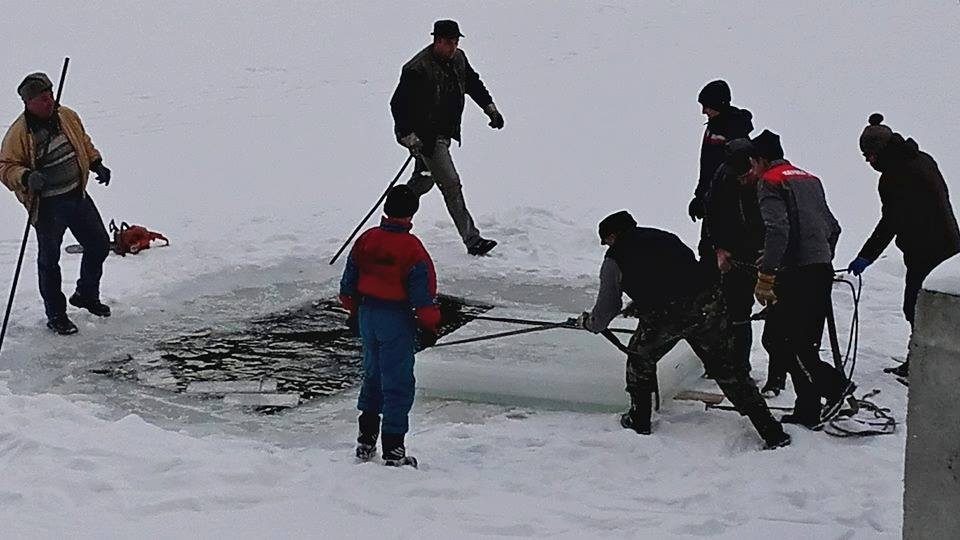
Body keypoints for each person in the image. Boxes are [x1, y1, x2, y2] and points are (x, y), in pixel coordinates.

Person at [574, 210, 789, 449]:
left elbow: (608, 306)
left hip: (665, 316)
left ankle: (639, 419)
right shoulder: (664, 237)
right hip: (706, 306)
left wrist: (591, 323)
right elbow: (678, 272)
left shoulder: (615, 259)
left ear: (614, 235)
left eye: (607, 241)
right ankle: (771, 432)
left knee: (639, 359)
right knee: (729, 371)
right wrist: (641, 302)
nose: (607, 246)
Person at [749, 130, 852, 427]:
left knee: (782, 341)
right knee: (803, 342)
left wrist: (767, 273)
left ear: (761, 160)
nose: (752, 171)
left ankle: (834, 386)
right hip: (818, 270)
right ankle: (808, 410)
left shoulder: (771, 182)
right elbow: (833, 227)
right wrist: (821, 257)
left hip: (795, 275)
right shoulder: (809, 179)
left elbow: (778, 230)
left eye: (752, 164)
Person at [0, 72, 113, 335]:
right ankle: (56, 314)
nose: (49, 101)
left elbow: (82, 141)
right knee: (49, 261)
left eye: (50, 95)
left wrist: (96, 163)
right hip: (48, 206)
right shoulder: (20, 133)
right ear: (28, 103)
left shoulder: (67, 116)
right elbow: (5, 167)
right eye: (42, 99)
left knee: (98, 244)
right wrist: (26, 177)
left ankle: (86, 294)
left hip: (77, 195)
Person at [848, 114, 960, 378]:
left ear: (881, 151)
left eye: (870, 156)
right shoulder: (922, 160)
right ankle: (928, 360)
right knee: (940, 306)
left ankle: (925, 364)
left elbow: (891, 222)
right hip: (950, 247)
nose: (868, 161)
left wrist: (866, 256)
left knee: (916, 307)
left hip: (926, 251)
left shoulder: (895, 176)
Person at [339, 185, 441, 467]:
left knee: (372, 375)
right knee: (397, 383)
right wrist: (430, 327)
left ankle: (366, 440)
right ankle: (394, 448)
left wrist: (355, 312)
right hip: (395, 319)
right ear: (412, 212)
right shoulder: (413, 250)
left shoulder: (367, 240)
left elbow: (348, 286)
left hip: (367, 316)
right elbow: (423, 295)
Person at [390, 19, 503, 256]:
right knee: (451, 184)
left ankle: (394, 217)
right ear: (437, 41)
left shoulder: (459, 59)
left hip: (443, 133)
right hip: (426, 137)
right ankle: (472, 240)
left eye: (456, 41)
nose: (453, 47)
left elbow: (473, 84)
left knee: (424, 180)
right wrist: (409, 137)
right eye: (449, 42)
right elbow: (398, 105)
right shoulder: (417, 68)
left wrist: (490, 109)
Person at [705, 139, 789, 396]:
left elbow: (782, 224)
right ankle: (740, 371)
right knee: (736, 316)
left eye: (748, 174)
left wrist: (774, 257)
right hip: (736, 255)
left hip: (769, 256)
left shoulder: (772, 180)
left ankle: (777, 378)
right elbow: (712, 212)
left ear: (756, 163)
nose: (744, 179)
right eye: (739, 175)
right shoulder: (723, 176)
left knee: (777, 320)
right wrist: (719, 247)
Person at [689, 80, 754, 274]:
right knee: (707, 250)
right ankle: (709, 292)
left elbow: (734, 173)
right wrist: (699, 196)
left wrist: (711, 197)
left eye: (706, 106)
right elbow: (707, 170)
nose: (703, 112)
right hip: (711, 199)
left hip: (727, 205)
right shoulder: (712, 127)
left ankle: (720, 295)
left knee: (718, 251)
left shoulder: (734, 131)